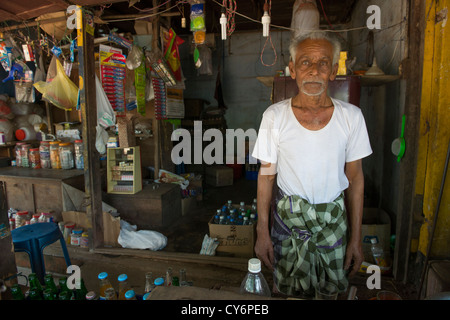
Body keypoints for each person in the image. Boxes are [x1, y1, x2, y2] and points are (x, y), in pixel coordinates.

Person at [251, 31, 373, 297]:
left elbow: (355, 179)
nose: (314, 71)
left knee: (330, 292)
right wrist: (262, 232)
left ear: (333, 70)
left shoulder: (351, 117)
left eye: (323, 63)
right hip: (288, 223)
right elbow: (267, 176)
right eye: (306, 62)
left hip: (333, 224)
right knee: (288, 292)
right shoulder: (275, 116)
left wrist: (356, 237)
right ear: (293, 70)